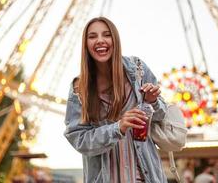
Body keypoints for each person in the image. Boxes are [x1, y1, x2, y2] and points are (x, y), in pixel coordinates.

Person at [64, 16, 169, 183]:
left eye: (106, 35)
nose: (100, 40)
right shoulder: (79, 88)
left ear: (115, 39)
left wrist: (152, 101)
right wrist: (117, 128)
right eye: (92, 36)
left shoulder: (138, 70)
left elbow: (161, 115)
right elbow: (79, 139)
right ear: (85, 45)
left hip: (145, 177)